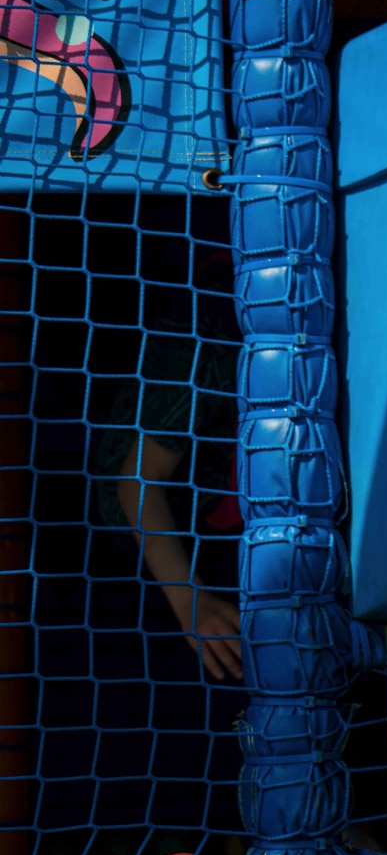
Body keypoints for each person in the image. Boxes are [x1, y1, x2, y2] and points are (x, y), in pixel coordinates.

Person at [92, 246, 244, 684]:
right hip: (166, 528)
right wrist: (192, 604)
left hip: (207, 498)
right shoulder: (207, 339)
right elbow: (136, 483)